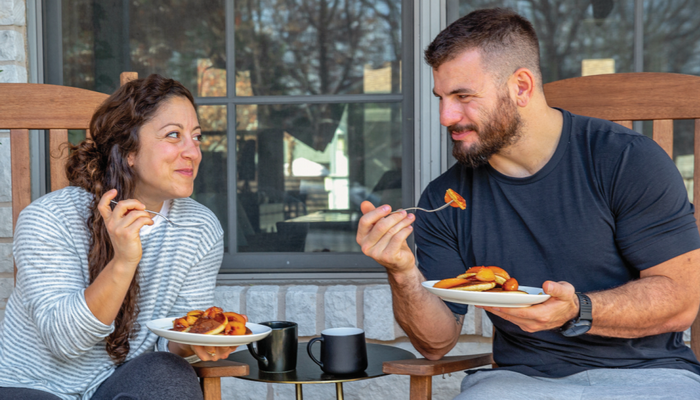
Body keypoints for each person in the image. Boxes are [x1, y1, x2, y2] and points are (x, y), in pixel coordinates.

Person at [356, 8, 700, 399]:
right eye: (441, 98)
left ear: (521, 87)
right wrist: (402, 272)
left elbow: (681, 300)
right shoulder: (444, 200)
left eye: (463, 96)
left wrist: (577, 309)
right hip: (517, 382)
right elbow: (436, 344)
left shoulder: (626, 160)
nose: (445, 116)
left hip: (648, 376)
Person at [0, 74, 235, 400]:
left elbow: (170, 338)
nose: (192, 152)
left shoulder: (200, 227)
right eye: (173, 136)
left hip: (117, 387)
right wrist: (124, 260)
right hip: (33, 386)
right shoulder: (49, 219)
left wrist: (194, 341)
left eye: (196, 137)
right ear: (129, 152)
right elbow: (65, 343)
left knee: (169, 372)